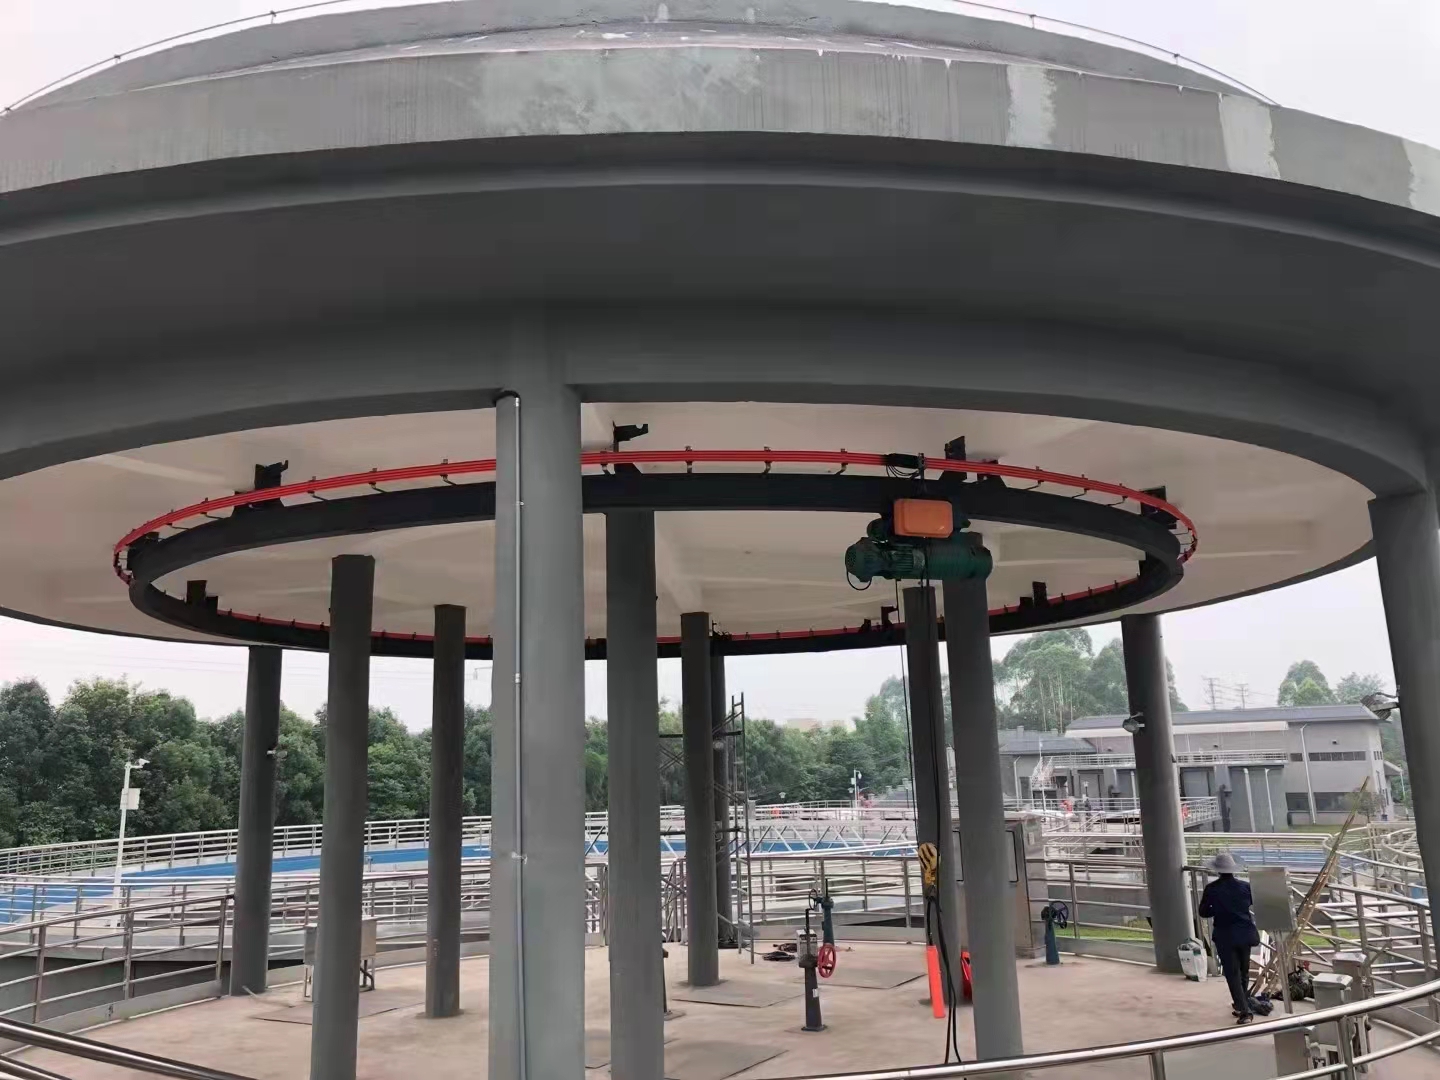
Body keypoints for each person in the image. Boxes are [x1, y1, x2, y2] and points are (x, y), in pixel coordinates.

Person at [1199, 851, 1261, 1024]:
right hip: (1245, 934)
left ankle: (1244, 1011)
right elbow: (1251, 903)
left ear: (1217, 870)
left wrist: (1218, 909)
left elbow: (1203, 912)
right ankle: (1242, 1003)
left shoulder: (1212, 889)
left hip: (1225, 936)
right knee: (1243, 971)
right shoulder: (1245, 887)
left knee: (1232, 974)